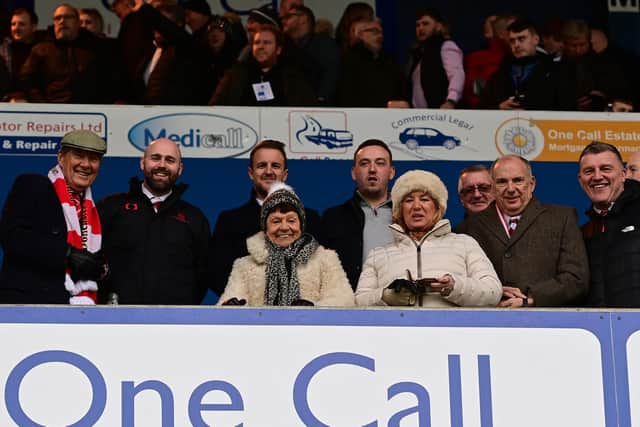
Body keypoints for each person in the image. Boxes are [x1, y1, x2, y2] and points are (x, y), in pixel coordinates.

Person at [457, 155, 589, 307]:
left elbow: (576, 279)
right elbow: (462, 284)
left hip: (547, 323)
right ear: (493, 187)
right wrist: (493, 292)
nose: (511, 189)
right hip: (490, 323)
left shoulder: (562, 218)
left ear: (532, 184)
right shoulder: (468, 228)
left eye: (518, 180)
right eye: (502, 182)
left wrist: (531, 298)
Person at [355, 170, 502, 307]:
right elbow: (358, 301)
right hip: (398, 333)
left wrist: (454, 287)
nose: (416, 206)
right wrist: (385, 296)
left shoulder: (465, 244)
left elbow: (493, 291)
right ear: (399, 210)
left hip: (451, 333)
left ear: (438, 208)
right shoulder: (378, 254)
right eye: (408, 200)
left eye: (425, 199)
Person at [0, 130, 108, 304]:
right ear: (61, 158)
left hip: (81, 314)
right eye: (78, 156)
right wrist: (67, 254)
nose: (86, 164)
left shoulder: (95, 211)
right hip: (30, 306)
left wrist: (99, 269)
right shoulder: (33, 185)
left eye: (94, 159)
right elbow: (13, 237)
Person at [98, 138, 210, 304]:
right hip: (118, 320)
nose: (162, 165)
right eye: (155, 158)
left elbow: (203, 275)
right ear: (143, 163)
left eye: (170, 160)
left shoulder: (194, 217)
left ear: (180, 169)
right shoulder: (112, 207)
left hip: (174, 323)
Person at [209, 139, 321, 297]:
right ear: (250, 173)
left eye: (275, 166)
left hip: (300, 314)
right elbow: (217, 275)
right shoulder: (230, 221)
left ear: (285, 174)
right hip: (246, 315)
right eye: (262, 166)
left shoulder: (311, 219)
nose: (269, 171)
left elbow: (321, 272)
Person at [218, 183, 354, 307]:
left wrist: (313, 308)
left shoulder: (325, 259)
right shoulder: (244, 265)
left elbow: (344, 300)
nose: (284, 227)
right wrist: (230, 306)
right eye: (276, 221)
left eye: (291, 220)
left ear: (301, 225)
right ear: (265, 227)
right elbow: (226, 305)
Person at [320, 139, 395, 289]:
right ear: (354, 173)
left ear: (391, 172)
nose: (372, 169)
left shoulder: (406, 216)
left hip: (399, 307)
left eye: (380, 163)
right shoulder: (333, 217)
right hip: (348, 307)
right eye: (364, 163)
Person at [9, 3, 122, 103]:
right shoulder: (41, 49)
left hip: (91, 113)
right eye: (57, 18)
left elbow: (110, 79)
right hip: (51, 113)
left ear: (78, 22)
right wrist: (41, 103)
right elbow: (25, 80)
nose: (62, 21)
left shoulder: (97, 48)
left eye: (68, 17)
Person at [578, 142, 640, 307]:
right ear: (580, 180)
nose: (597, 176)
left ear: (623, 174)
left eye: (606, 169)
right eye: (589, 171)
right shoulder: (581, 233)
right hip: (599, 330)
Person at [479, 18, 575, 111]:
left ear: (536, 39)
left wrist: (529, 107)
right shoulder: (500, 74)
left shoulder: (555, 71)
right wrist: (499, 107)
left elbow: (567, 108)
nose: (516, 45)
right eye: (512, 41)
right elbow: (481, 108)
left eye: (521, 39)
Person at [210, 23, 316, 106]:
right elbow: (215, 106)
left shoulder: (292, 76)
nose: (261, 46)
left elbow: (308, 109)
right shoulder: (236, 74)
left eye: (266, 43)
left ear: (278, 49)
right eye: (257, 43)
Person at [336, 17, 406, 107]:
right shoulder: (349, 61)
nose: (380, 36)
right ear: (359, 34)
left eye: (381, 32)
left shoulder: (389, 60)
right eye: (374, 31)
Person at [406, 7, 464, 109]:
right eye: (417, 25)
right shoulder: (418, 54)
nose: (420, 28)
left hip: (444, 114)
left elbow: (456, 74)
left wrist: (451, 101)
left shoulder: (446, 46)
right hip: (420, 116)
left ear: (438, 26)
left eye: (425, 24)